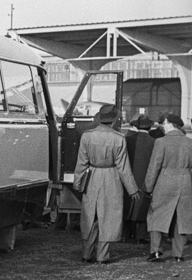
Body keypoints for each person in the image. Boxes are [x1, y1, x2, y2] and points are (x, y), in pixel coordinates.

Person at [73, 104, 140, 264]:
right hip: (111, 178)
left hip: (92, 177)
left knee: (91, 216)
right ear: (114, 119)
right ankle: (102, 256)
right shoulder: (118, 138)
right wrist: (132, 189)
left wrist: (77, 184)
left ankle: (86, 254)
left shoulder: (87, 136)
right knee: (108, 216)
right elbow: (123, 168)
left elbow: (81, 163)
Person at [143, 113, 192, 262]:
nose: (162, 126)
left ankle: (156, 251)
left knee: (156, 215)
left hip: (164, 182)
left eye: (163, 123)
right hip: (185, 182)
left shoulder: (160, 142)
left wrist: (148, 187)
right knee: (181, 219)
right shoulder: (189, 143)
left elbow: (154, 167)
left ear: (170, 124)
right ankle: (178, 254)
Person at [123, 115, 156, 242]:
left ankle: (126, 234)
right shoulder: (153, 142)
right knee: (143, 206)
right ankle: (140, 236)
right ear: (150, 127)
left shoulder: (127, 139)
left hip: (129, 177)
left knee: (128, 204)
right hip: (145, 178)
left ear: (136, 126)